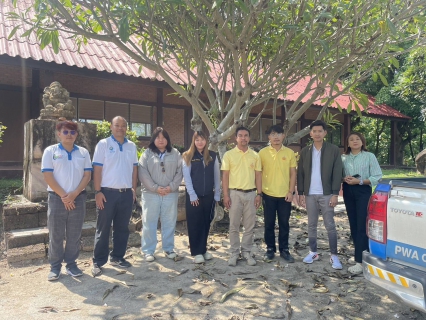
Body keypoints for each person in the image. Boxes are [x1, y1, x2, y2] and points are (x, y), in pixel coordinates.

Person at [41, 120, 92, 281]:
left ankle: (71, 264)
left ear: (76, 135)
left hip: (78, 198)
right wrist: (64, 196)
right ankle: (55, 267)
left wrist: (74, 194)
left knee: (74, 233)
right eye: (65, 132)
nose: (69, 135)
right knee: (56, 233)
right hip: (57, 199)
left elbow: (87, 175)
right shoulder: (51, 151)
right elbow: (48, 175)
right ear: (59, 134)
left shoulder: (83, 152)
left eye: (72, 132)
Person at [91, 116, 138, 277]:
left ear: (127, 128)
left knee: (122, 228)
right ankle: (98, 261)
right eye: (117, 125)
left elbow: (134, 169)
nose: (120, 128)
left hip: (125, 193)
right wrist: (97, 192)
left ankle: (117, 257)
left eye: (123, 126)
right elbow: (97, 169)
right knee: (103, 228)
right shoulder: (103, 144)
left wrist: (133, 189)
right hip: (106, 193)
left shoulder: (131, 146)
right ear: (111, 127)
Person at [297, 120, 343, 269]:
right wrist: (301, 193)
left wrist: (335, 193)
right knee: (311, 225)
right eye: (314, 131)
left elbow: (337, 172)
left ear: (325, 133)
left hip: (327, 194)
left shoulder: (333, 150)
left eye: (320, 131)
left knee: (330, 224)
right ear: (310, 134)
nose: (317, 133)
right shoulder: (305, 151)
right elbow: (301, 173)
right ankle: (313, 252)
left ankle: (334, 255)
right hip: (310, 194)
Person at [138, 127, 183, 262]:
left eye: (164, 137)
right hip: (151, 194)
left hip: (170, 193)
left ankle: (168, 249)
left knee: (169, 221)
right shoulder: (147, 154)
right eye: (158, 137)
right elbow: (143, 173)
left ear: (168, 140)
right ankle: (148, 251)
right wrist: (155, 188)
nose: (161, 140)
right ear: (153, 139)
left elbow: (180, 172)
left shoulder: (175, 153)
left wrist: (171, 187)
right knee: (149, 222)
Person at [342, 132, 382, 274]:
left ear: (362, 141)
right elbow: (339, 174)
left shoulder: (369, 156)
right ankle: (359, 254)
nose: (354, 141)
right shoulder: (344, 158)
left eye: (357, 139)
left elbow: (377, 176)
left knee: (362, 225)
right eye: (351, 139)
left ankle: (360, 262)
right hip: (348, 191)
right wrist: (344, 178)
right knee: (353, 223)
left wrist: (359, 181)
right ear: (347, 143)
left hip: (363, 190)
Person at [221, 126, 262, 266]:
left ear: (249, 138)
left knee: (249, 226)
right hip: (234, 194)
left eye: (246, 135)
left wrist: (259, 194)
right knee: (233, 225)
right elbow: (225, 176)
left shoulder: (255, 156)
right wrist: (225, 195)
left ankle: (246, 252)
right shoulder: (229, 155)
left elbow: (258, 175)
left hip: (251, 194)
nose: (243, 138)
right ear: (236, 138)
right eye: (240, 135)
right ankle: (234, 253)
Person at [259, 125, 297, 262]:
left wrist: (291, 191)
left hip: (284, 195)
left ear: (283, 136)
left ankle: (284, 249)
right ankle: (270, 249)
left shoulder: (290, 153)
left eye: (278, 134)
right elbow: (259, 173)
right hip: (268, 194)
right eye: (273, 134)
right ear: (268, 137)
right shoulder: (262, 153)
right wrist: (259, 192)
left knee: (284, 223)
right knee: (268, 223)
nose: (276, 137)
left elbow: (293, 173)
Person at [182, 131, 221, 264]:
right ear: (193, 141)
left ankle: (203, 249)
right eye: (197, 139)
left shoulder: (213, 156)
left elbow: (217, 176)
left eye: (202, 139)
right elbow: (187, 178)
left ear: (206, 141)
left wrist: (217, 195)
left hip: (209, 195)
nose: (200, 142)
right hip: (194, 196)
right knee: (195, 224)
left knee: (206, 222)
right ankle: (196, 252)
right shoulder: (188, 156)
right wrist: (192, 195)